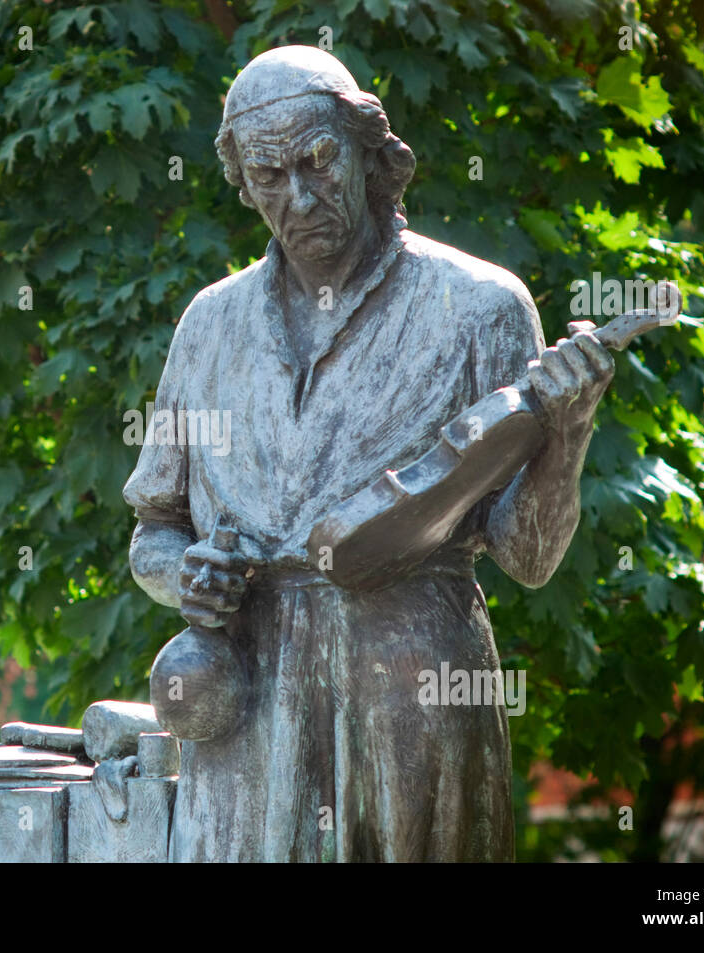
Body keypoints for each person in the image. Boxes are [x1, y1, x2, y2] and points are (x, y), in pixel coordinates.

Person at [122, 46, 614, 862]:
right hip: (245, 705)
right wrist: (188, 576)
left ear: (369, 149)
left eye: (317, 160)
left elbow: (528, 558)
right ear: (242, 183)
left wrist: (567, 434)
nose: (300, 196)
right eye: (269, 177)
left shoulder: (480, 308)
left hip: (415, 694)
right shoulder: (208, 327)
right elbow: (154, 533)